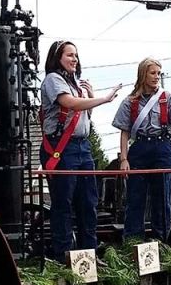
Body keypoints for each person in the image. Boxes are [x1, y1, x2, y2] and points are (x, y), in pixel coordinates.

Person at [40, 40, 121, 260]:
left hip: (82, 147)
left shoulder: (76, 83)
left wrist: (90, 97)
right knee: (63, 202)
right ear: (58, 58)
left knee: (88, 202)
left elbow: (83, 117)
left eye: (76, 55)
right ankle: (64, 255)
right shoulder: (53, 80)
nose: (74, 59)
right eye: (69, 55)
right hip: (61, 147)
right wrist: (101, 99)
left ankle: (89, 254)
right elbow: (69, 104)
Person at [111, 58, 171, 242]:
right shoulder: (129, 102)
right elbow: (124, 132)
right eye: (153, 73)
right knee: (135, 197)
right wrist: (124, 159)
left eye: (159, 73)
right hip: (139, 148)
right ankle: (133, 242)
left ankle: (161, 240)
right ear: (143, 74)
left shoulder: (168, 98)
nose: (156, 77)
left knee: (163, 196)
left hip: (162, 147)